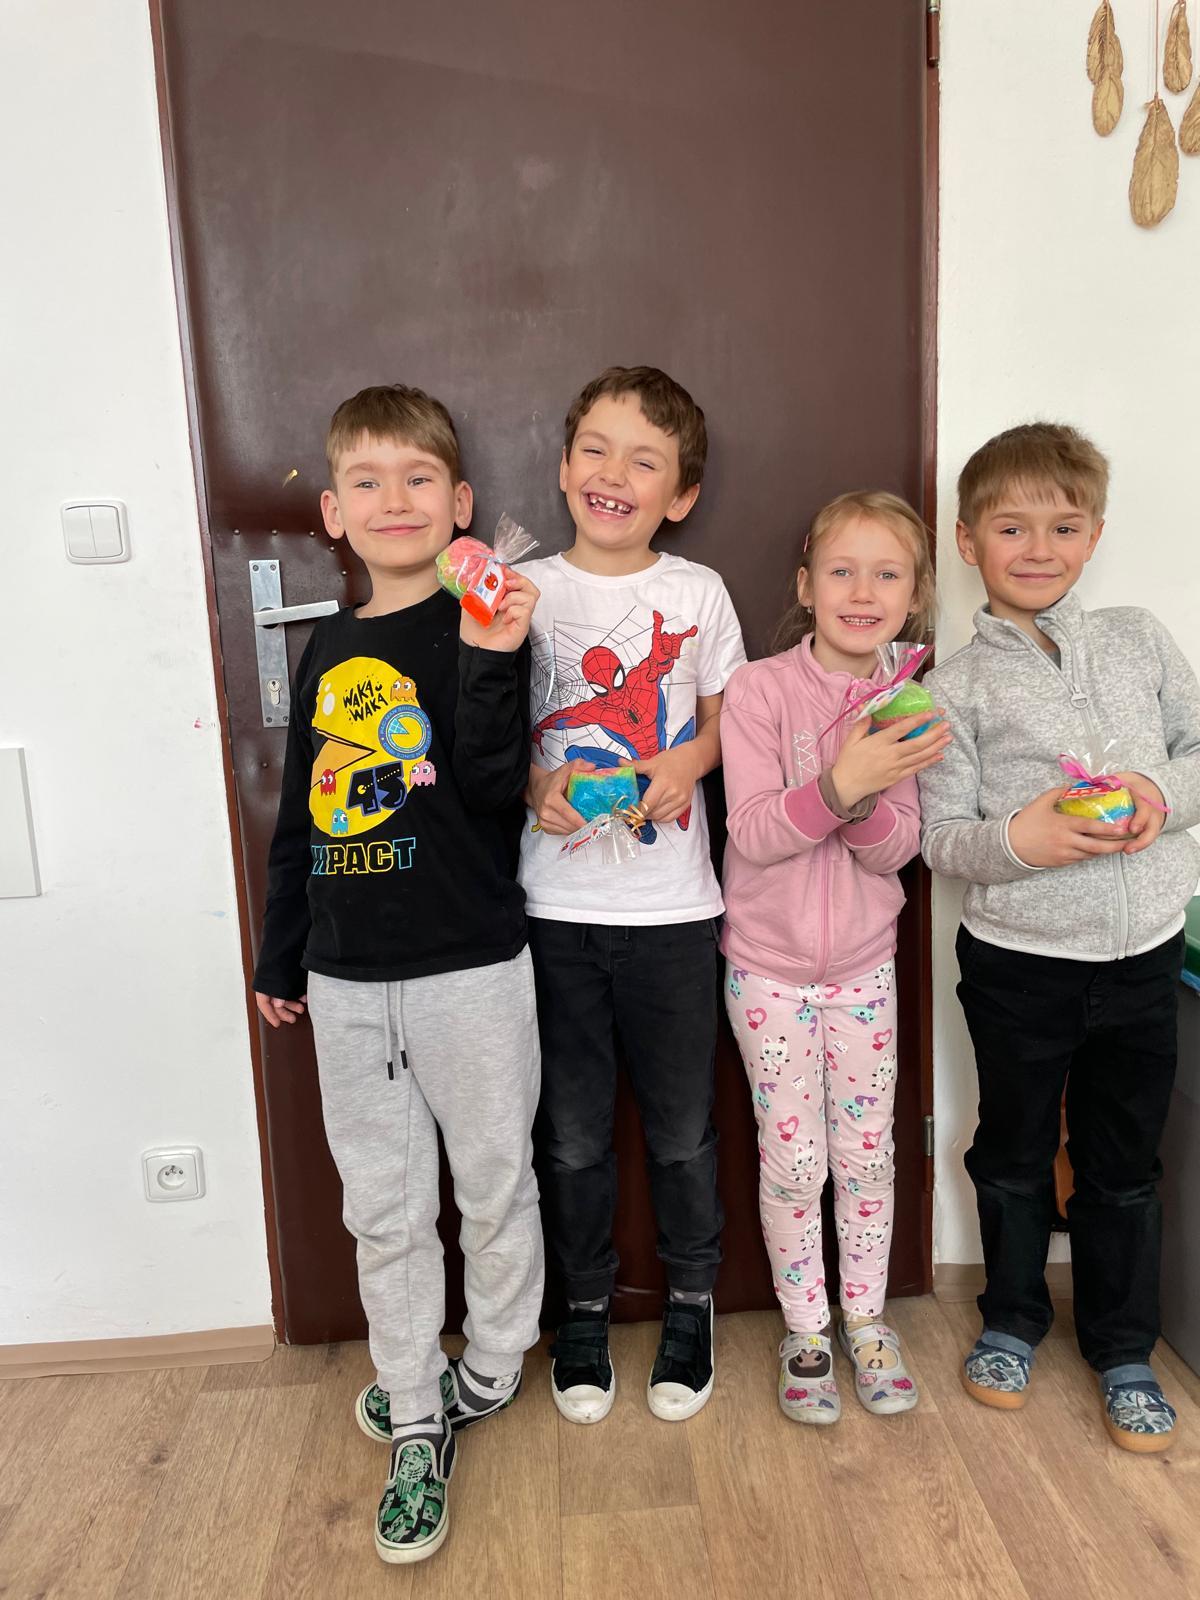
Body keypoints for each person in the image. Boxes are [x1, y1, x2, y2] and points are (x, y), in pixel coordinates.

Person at [252, 385, 544, 1561]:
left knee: (494, 1179)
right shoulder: (326, 646)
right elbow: (299, 820)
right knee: (382, 1204)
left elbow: (491, 787)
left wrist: (492, 656)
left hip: (472, 968)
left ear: (460, 502)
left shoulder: (486, 622)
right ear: (333, 512)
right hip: (345, 979)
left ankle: (495, 1359)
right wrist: (283, 950)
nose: (394, 499)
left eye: (419, 478)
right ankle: (415, 1407)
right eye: (366, 481)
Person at [919, 422, 1200, 1452]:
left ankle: (1123, 1345)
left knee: (1124, 1164)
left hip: (1143, 958)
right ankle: (1010, 1317)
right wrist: (1022, 841)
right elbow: (941, 838)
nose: (1039, 548)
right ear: (968, 541)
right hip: (1017, 967)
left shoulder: (1138, 638)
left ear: (1095, 534)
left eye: (1064, 526)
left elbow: (1199, 751)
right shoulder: (954, 687)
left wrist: (1158, 795)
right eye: (1011, 527)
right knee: (1013, 1153)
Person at [520, 366, 745, 1424]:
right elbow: (485, 730)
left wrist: (688, 762)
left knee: (683, 1129)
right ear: (565, 467)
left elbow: (729, 719)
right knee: (569, 1134)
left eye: (645, 460)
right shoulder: (523, 591)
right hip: (552, 913)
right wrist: (536, 785)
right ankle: (583, 1307)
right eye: (597, 450)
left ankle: (692, 1302)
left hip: (672, 914)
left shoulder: (697, 593)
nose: (615, 474)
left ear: (680, 494)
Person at [720, 490, 945, 1423]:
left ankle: (866, 1320)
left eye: (887, 574)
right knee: (792, 1159)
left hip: (862, 971)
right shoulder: (759, 691)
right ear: (806, 584)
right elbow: (753, 831)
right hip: (767, 972)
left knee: (866, 1156)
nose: (863, 592)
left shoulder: (912, 702)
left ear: (914, 595)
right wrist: (842, 779)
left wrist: (858, 795)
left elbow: (900, 849)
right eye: (842, 571)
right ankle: (807, 1329)